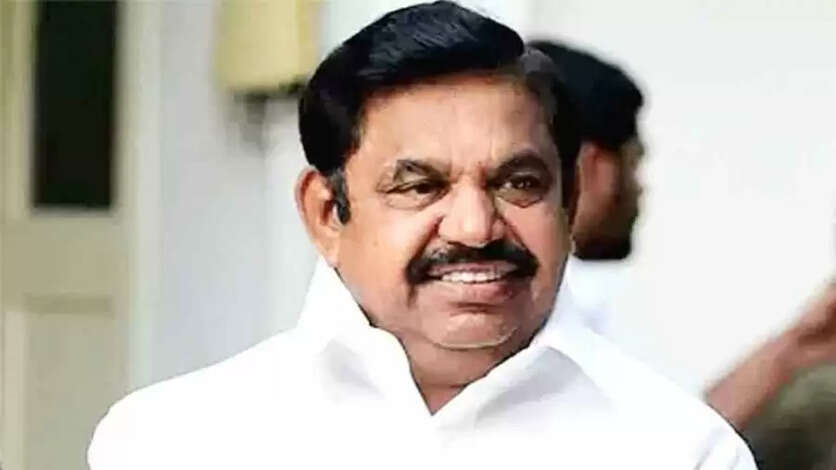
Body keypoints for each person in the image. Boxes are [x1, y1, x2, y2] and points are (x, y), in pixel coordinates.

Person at [88, 3, 755, 468]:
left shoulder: (681, 451)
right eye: (420, 186)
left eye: (518, 183)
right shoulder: (172, 442)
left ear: (568, 200)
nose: (475, 227)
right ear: (326, 214)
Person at [529, 39, 836, 431]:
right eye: (634, 164)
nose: (641, 189)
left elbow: (672, 436)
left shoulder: (564, 304)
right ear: (593, 168)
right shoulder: (548, 307)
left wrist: (796, 347)